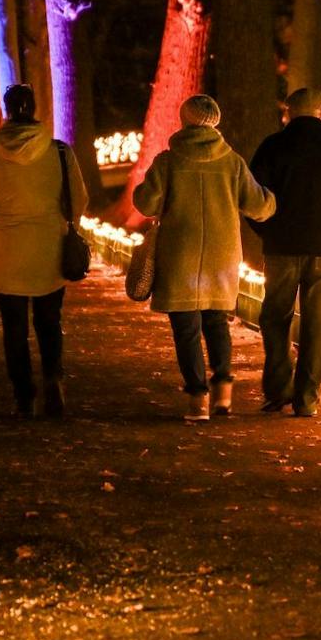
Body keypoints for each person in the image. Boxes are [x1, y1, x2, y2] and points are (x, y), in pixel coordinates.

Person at [133, 94, 276, 422]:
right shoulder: (232, 162)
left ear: (184, 120)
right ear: (215, 120)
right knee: (216, 322)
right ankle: (224, 392)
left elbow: (146, 203)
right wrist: (275, 200)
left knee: (185, 329)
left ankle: (197, 398)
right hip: (221, 255)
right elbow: (258, 205)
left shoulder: (169, 161)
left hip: (179, 255)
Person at [0, 85, 88, 418]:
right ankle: (52, 378)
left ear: (6, 110)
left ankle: (23, 393)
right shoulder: (59, 151)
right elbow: (79, 197)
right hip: (49, 243)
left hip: (6, 247)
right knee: (49, 320)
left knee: (14, 327)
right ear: (35, 109)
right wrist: (63, 221)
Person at [247, 88, 321, 417]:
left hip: (281, 248)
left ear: (288, 112)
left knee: (275, 318)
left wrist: (266, 230)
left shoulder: (273, 146)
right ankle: (307, 398)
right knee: (319, 324)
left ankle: (277, 390)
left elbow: (251, 196)